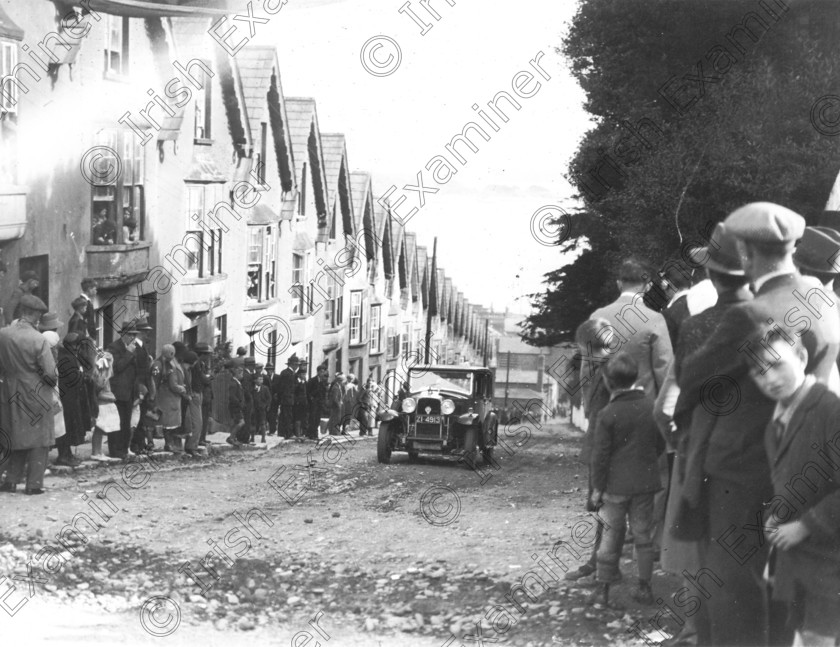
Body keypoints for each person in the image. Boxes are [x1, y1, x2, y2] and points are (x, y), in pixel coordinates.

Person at [677, 203, 840, 646]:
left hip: (740, 471)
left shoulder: (749, 313)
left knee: (733, 591)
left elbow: (689, 378)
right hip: (803, 469)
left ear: (746, 253)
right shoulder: (824, 298)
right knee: (781, 592)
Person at [654, 222, 751, 646]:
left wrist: (674, 438)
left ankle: (696, 626)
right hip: (755, 453)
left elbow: (667, 405)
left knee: (696, 538)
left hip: (700, 448)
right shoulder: (769, 317)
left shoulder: (696, 328)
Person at [747, 327, 840, 647]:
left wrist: (806, 525)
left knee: (818, 638)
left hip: (829, 559)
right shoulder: (778, 419)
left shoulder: (830, 409)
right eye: (759, 373)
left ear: (801, 357)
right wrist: (777, 513)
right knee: (799, 635)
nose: (769, 379)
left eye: (776, 365)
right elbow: (791, 479)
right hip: (797, 560)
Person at [589, 351, 665, 607]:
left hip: (614, 487)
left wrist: (597, 488)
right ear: (635, 378)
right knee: (643, 535)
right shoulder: (651, 408)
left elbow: (600, 457)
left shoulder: (608, 414)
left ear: (608, 382)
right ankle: (644, 587)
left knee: (610, 535)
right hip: (645, 485)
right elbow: (660, 445)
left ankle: (603, 590)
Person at [565, 318, 619, 583]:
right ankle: (596, 561)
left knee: (605, 508)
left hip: (606, 450)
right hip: (600, 446)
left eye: (584, 350)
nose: (583, 356)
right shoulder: (602, 369)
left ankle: (603, 569)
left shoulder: (612, 374)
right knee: (601, 511)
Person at [0, 295, 57, 494]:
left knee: (15, 436)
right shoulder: (38, 339)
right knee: (38, 439)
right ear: (33, 315)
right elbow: (50, 374)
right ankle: (34, 485)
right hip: (35, 392)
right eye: (39, 316)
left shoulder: (3, 334)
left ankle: (10, 481)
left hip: (8, 390)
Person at [54, 333, 91, 467]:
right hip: (68, 398)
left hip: (69, 396)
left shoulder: (67, 356)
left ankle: (67, 454)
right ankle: (64, 455)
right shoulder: (68, 358)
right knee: (67, 427)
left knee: (68, 427)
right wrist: (83, 376)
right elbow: (74, 379)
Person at [107, 322, 139, 460]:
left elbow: (136, 371)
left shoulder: (132, 348)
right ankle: (115, 450)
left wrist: (137, 392)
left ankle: (124, 449)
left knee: (126, 422)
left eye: (134, 335)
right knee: (116, 423)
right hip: (117, 391)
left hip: (129, 391)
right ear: (124, 335)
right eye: (131, 334)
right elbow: (116, 368)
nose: (133, 337)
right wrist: (128, 353)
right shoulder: (114, 348)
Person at [130, 316, 154, 455]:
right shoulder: (136, 347)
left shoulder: (142, 346)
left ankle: (140, 442)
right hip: (139, 385)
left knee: (143, 415)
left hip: (144, 384)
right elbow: (137, 369)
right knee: (137, 417)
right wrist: (140, 386)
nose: (146, 334)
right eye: (144, 331)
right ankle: (136, 444)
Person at [193, 343, 214, 447]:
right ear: (202, 354)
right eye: (207, 354)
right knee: (200, 418)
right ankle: (199, 439)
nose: (208, 357)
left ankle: (203, 438)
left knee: (205, 418)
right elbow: (203, 379)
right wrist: (209, 377)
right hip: (200, 393)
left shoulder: (202, 364)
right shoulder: (197, 364)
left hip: (205, 394)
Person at [182, 351, 203, 455]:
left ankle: (191, 445)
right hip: (191, 396)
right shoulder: (187, 370)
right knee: (196, 422)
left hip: (190, 395)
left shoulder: (188, 370)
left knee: (193, 423)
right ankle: (191, 446)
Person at [276, 354, 299, 439]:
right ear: (292, 364)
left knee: (285, 416)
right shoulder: (286, 373)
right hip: (286, 398)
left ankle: (282, 433)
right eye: (296, 365)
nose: (297, 367)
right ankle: (288, 434)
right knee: (287, 416)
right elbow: (282, 387)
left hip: (289, 398)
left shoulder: (291, 373)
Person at [306, 364, 328, 440]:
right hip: (313, 403)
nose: (322, 373)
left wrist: (323, 402)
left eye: (323, 372)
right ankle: (311, 434)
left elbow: (324, 392)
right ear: (318, 372)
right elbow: (308, 392)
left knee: (317, 419)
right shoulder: (312, 380)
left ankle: (315, 434)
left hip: (320, 403)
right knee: (312, 418)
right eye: (321, 372)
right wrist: (311, 399)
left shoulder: (323, 381)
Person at [227, 362, 246, 447]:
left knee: (236, 422)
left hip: (237, 406)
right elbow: (232, 396)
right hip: (235, 407)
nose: (242, 375)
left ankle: (233, 438)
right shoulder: (234, 383)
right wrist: (239, 403)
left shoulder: (237, 382)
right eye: (241, 373)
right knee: (241, 422)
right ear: (237, 374)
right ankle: (231, 437)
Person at [328, 371, 346, 436]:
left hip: (338, 404)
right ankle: (334, 431)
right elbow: (335, 398)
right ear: (339, 381)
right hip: (335, 406)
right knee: (335, 419)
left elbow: (341, 395)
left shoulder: (339, 386)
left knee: (338, 418)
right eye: (341, 381)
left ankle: (336, 431)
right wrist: (338, 404)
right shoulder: (335, 387)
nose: (342, 382)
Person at [294, 367, 308, 440]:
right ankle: (297, 433)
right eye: (302, 374)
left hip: (304, 403)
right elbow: (295, 392)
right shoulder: (297, 382)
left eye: (305, 374)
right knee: (297, 418)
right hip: (298, 403)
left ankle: (304, 433)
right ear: (299, 375)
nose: (304, 376)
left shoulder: (305, 382)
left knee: (304, 418)